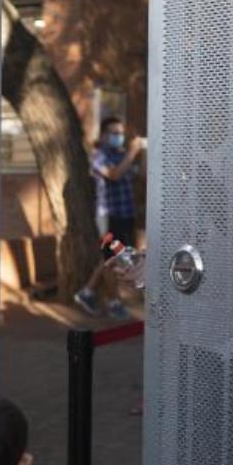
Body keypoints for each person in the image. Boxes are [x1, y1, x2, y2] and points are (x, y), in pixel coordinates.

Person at [75, 116, 146, 318]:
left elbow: (142, 176)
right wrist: (132, 152)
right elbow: (114, 175)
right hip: (108, 215)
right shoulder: (99, 156)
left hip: (125, 214)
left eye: (121, 133)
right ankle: (114, 302)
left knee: (112, 258)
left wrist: (144, 151)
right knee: (112, 258)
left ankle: (87, 292)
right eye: (114, 133)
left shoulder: (122, 155)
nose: (119, 137)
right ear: (104, 135)